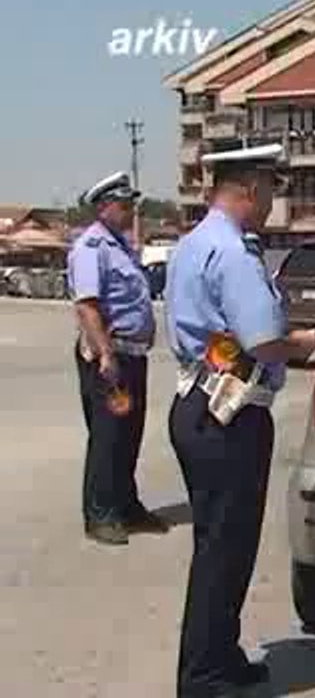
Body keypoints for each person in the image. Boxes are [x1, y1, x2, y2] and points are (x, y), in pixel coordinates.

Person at [164, 144, 315, 698]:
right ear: (250, 189)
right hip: (227, 417)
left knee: (219, 545)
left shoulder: (192, 244)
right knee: (224, 551)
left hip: (198, 408)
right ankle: (203, 677)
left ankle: (219, 657)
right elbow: (265, 341)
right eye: (272, 190)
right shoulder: (233, 254)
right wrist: (306, 342)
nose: (274, 201)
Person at [67, 171, 167, 546]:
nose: (130, 212)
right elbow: (88, 306)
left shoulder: (120, 247)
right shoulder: (91, 248)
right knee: (108, 437)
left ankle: (126, 507)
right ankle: (99, 513)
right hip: (109, 356)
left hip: (132, 354)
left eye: (132, 205)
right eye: (124, 205)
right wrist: (105, 354)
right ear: (103, 207)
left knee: (129, 435)